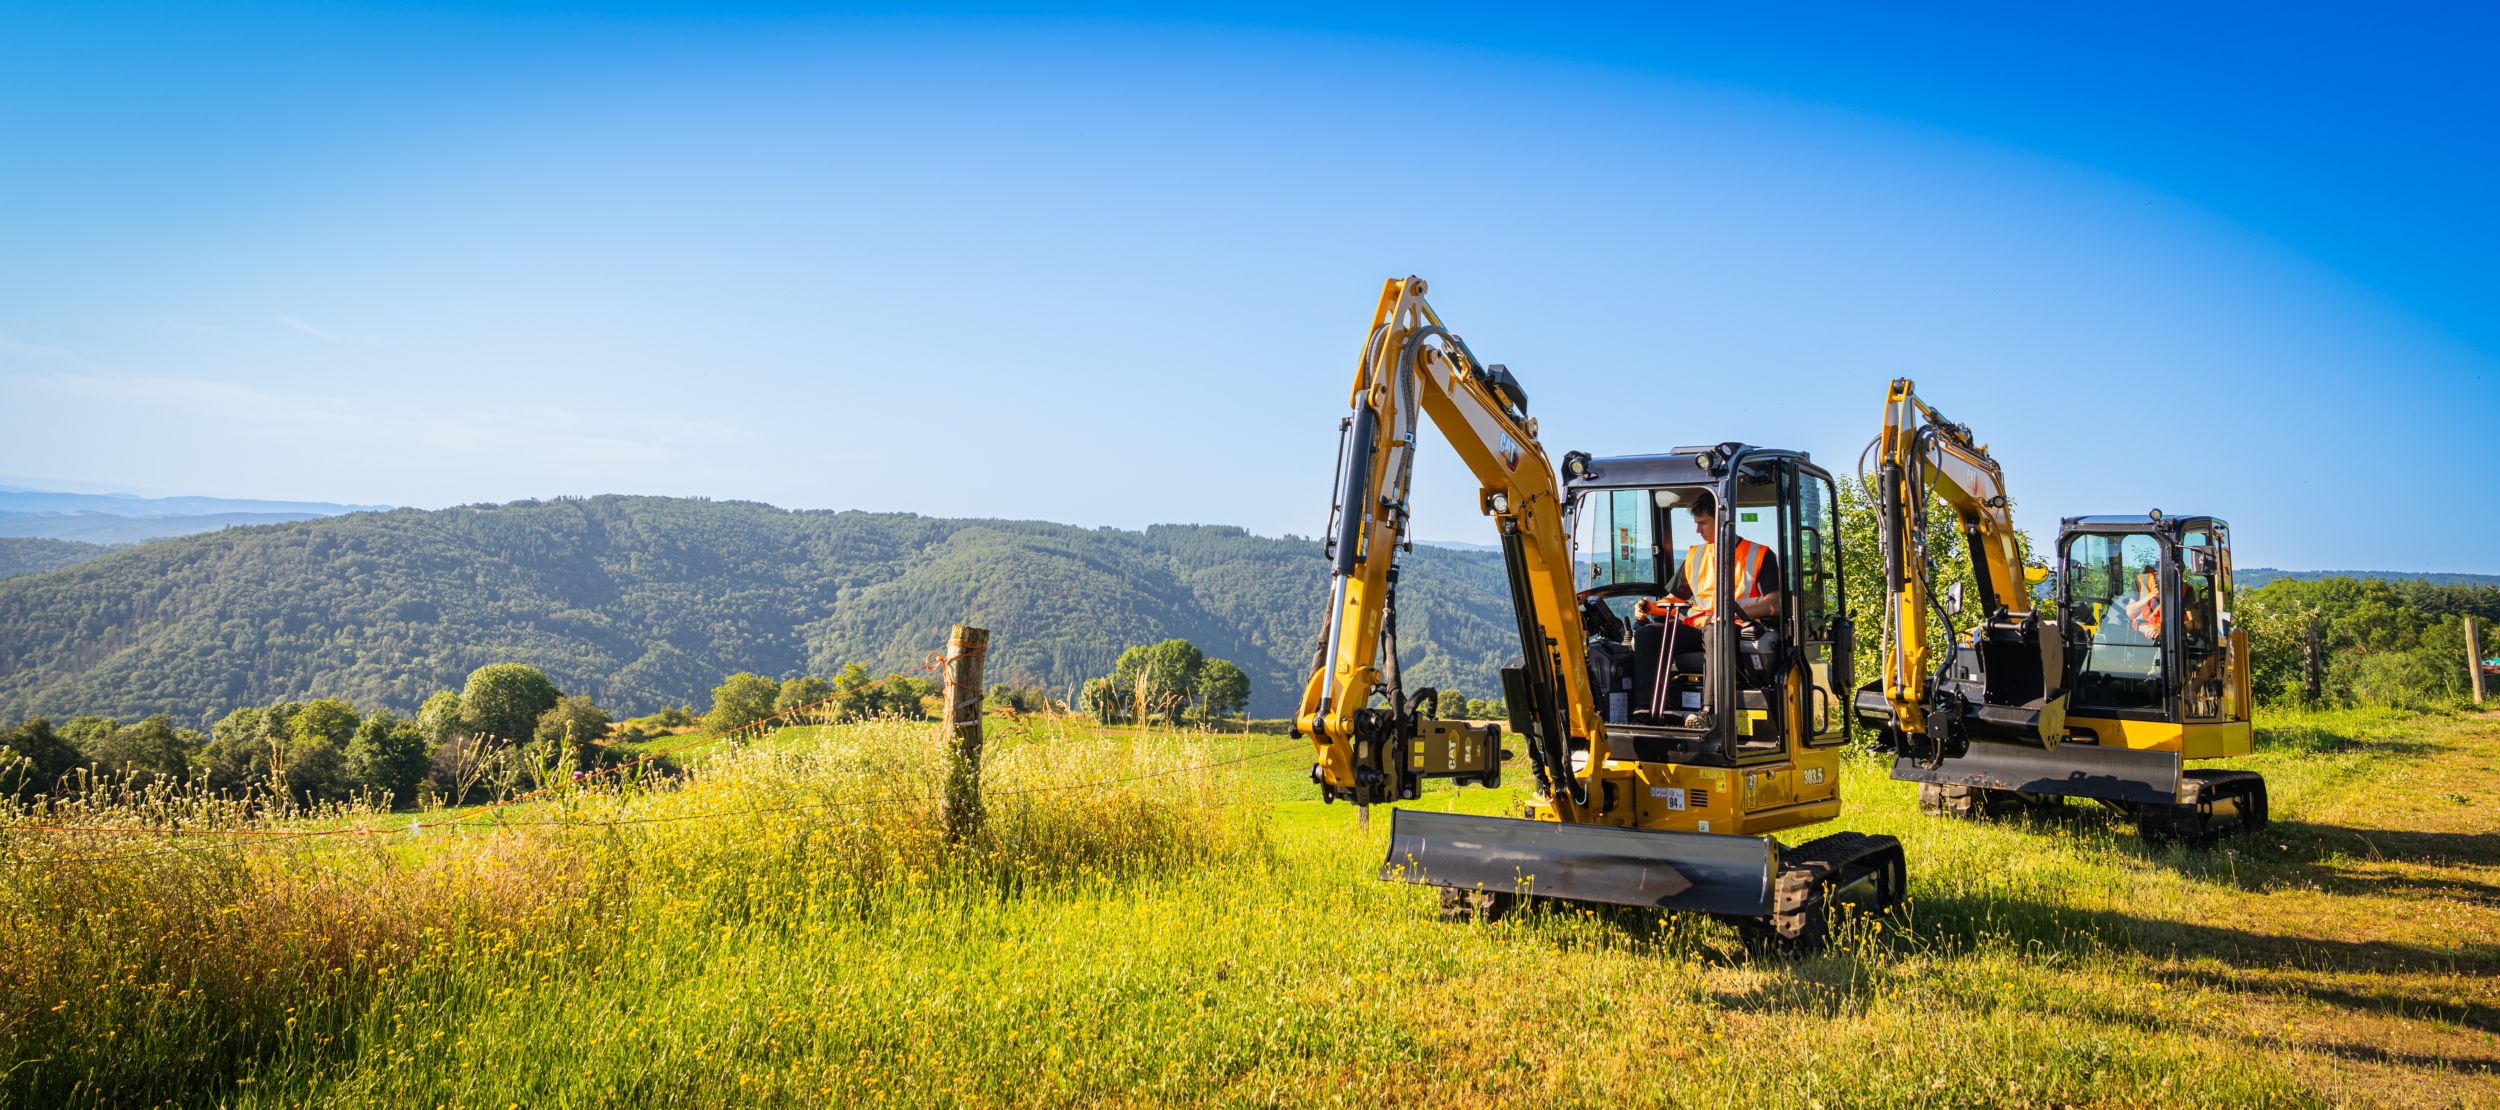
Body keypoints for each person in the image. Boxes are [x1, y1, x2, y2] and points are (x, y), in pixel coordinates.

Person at [1636, 490, 1782, 717]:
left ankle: (1710, 712)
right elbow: (1675, 599)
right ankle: (1645, 708)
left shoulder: (1759, 554)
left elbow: (1774, 603)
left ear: (1723, 521)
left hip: (1735, 630)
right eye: (1697, 524)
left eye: (1703, 523)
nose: (1698, 530)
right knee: (1647, 635)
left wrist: (1729, 613)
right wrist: (1650, 607)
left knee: (1716, 631)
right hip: (1698, 628)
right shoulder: (1696, 555)